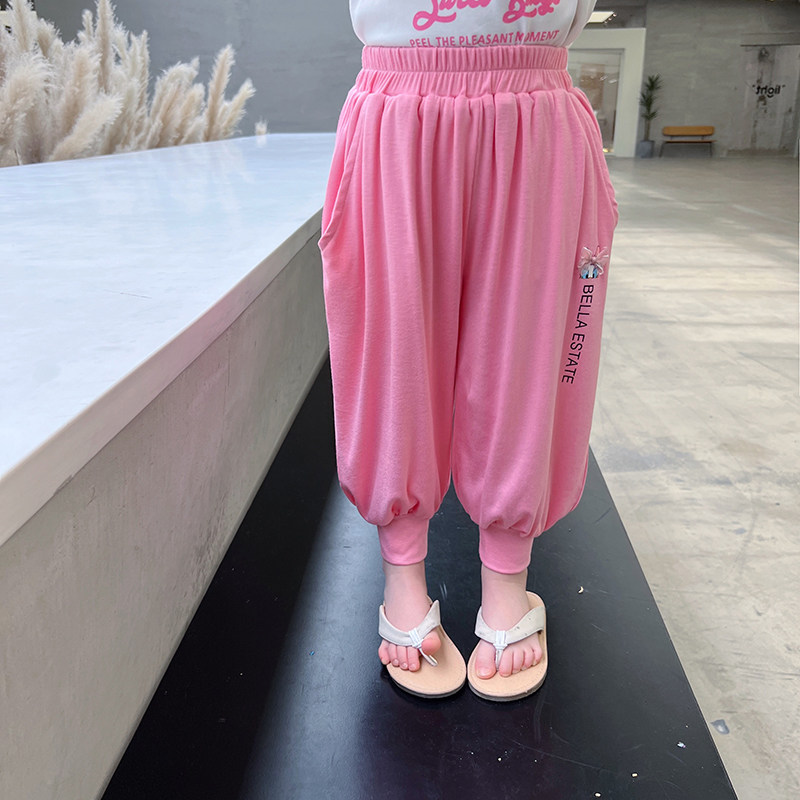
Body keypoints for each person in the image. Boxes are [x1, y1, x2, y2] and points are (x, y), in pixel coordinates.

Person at [318, 0, 618, 701]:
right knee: (391, 347)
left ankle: (508, 577)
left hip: (535, 107)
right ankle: (401, 573)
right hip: (399, 106)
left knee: (532, 348)